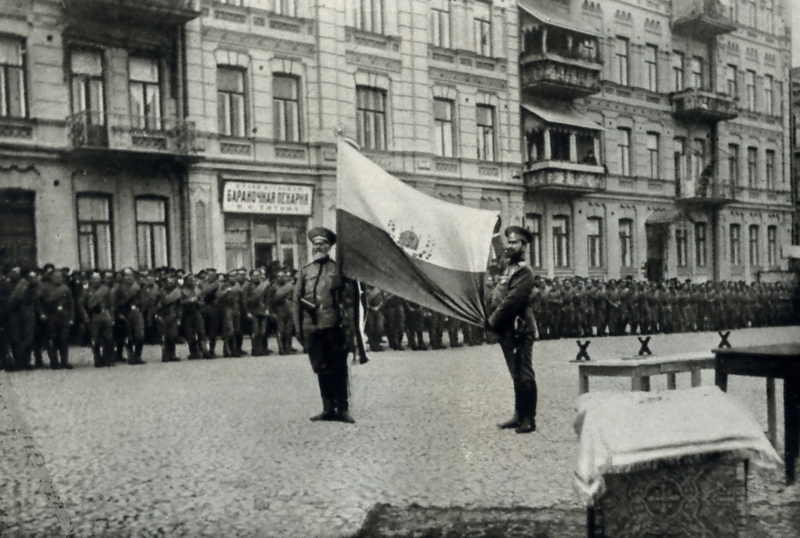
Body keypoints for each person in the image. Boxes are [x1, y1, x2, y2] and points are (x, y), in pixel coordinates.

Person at [293, 227, 355, 424]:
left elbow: (349, 300)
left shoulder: (338, 270)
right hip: (312, 327)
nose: (318, 247)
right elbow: (297, 301)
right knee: (321, 368)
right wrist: (299, 328)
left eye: (322, 244)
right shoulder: (305, 272)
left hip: (334, 326)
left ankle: (343, 409)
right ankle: (328, 408)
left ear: (329, 247)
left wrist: (349, 328)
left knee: (339, 368)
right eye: (315, 244)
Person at [486, 226, 537, 434]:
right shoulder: (509, 267)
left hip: (520, 328)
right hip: (508, 328)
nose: (511, 246)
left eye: (515, 243)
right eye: (510, 242)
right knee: (515, 373)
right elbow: (499, 254)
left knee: (524, 374)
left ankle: (529, 419)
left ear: (524, 246)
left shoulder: (524, 271)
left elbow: (511, 301)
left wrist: (491, 321)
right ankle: (518, 414)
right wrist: (496, 234)